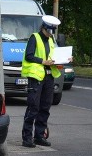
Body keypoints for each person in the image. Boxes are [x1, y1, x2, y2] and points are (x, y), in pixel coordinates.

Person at [21, 14, 67, 149]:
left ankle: (39, 136)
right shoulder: (34, 38)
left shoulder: (51, 39)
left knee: (45, 107)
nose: (50, 34)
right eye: (49, 31)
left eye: (52, 32)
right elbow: (29, 56)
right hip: (36, 77)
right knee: (33, 107)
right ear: (45, 28)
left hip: (48, 77)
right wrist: (43, 61)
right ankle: (27, 137)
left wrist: (64, 59)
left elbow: (54, 56)